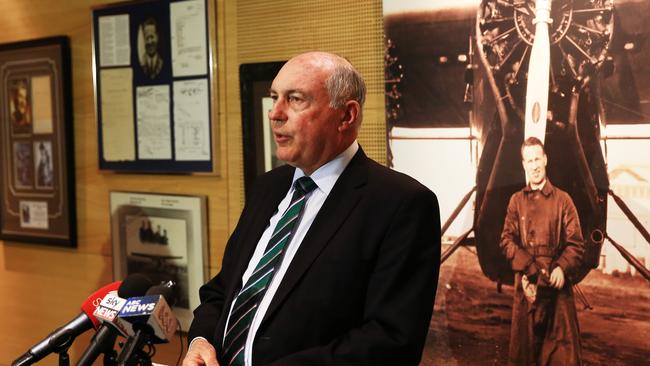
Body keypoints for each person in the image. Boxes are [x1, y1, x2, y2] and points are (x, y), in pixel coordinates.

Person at [184, 52, 441, 366]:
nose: (275, 113)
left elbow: (390, 341)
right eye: (274, 97)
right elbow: (223, 289)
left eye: (295, 99)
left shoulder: (402, 204)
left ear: (346, 116)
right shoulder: (267, 187)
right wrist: (200, 340)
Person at [500, 136, 585, 366]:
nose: (535, 165)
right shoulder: (516, 201)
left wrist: (561, 267)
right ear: (523, 165)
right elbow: (506, 241)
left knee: (560, 355)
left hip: (557, 289)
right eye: (529, 160)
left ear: (545, 160)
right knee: (525, 355)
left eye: (538, 159)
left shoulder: (563, 200)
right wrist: (528, 266)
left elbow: (576, 243)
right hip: (527, 285)